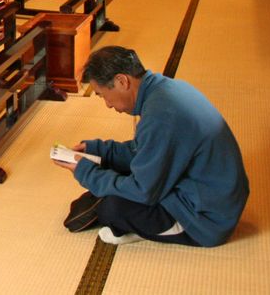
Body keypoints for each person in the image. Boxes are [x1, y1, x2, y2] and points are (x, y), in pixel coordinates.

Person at [53, 45, 249, 247]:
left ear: (122, 81)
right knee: (112, 174)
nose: (108, 105)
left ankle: (148, 229)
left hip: (206, 221)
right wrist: (98, 151)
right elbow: (145, 151)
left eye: (102, 95)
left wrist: (86, 171)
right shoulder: (166, 90)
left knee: (112, 209)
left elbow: (143, 191)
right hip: (211, 197)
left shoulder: (161, 115)